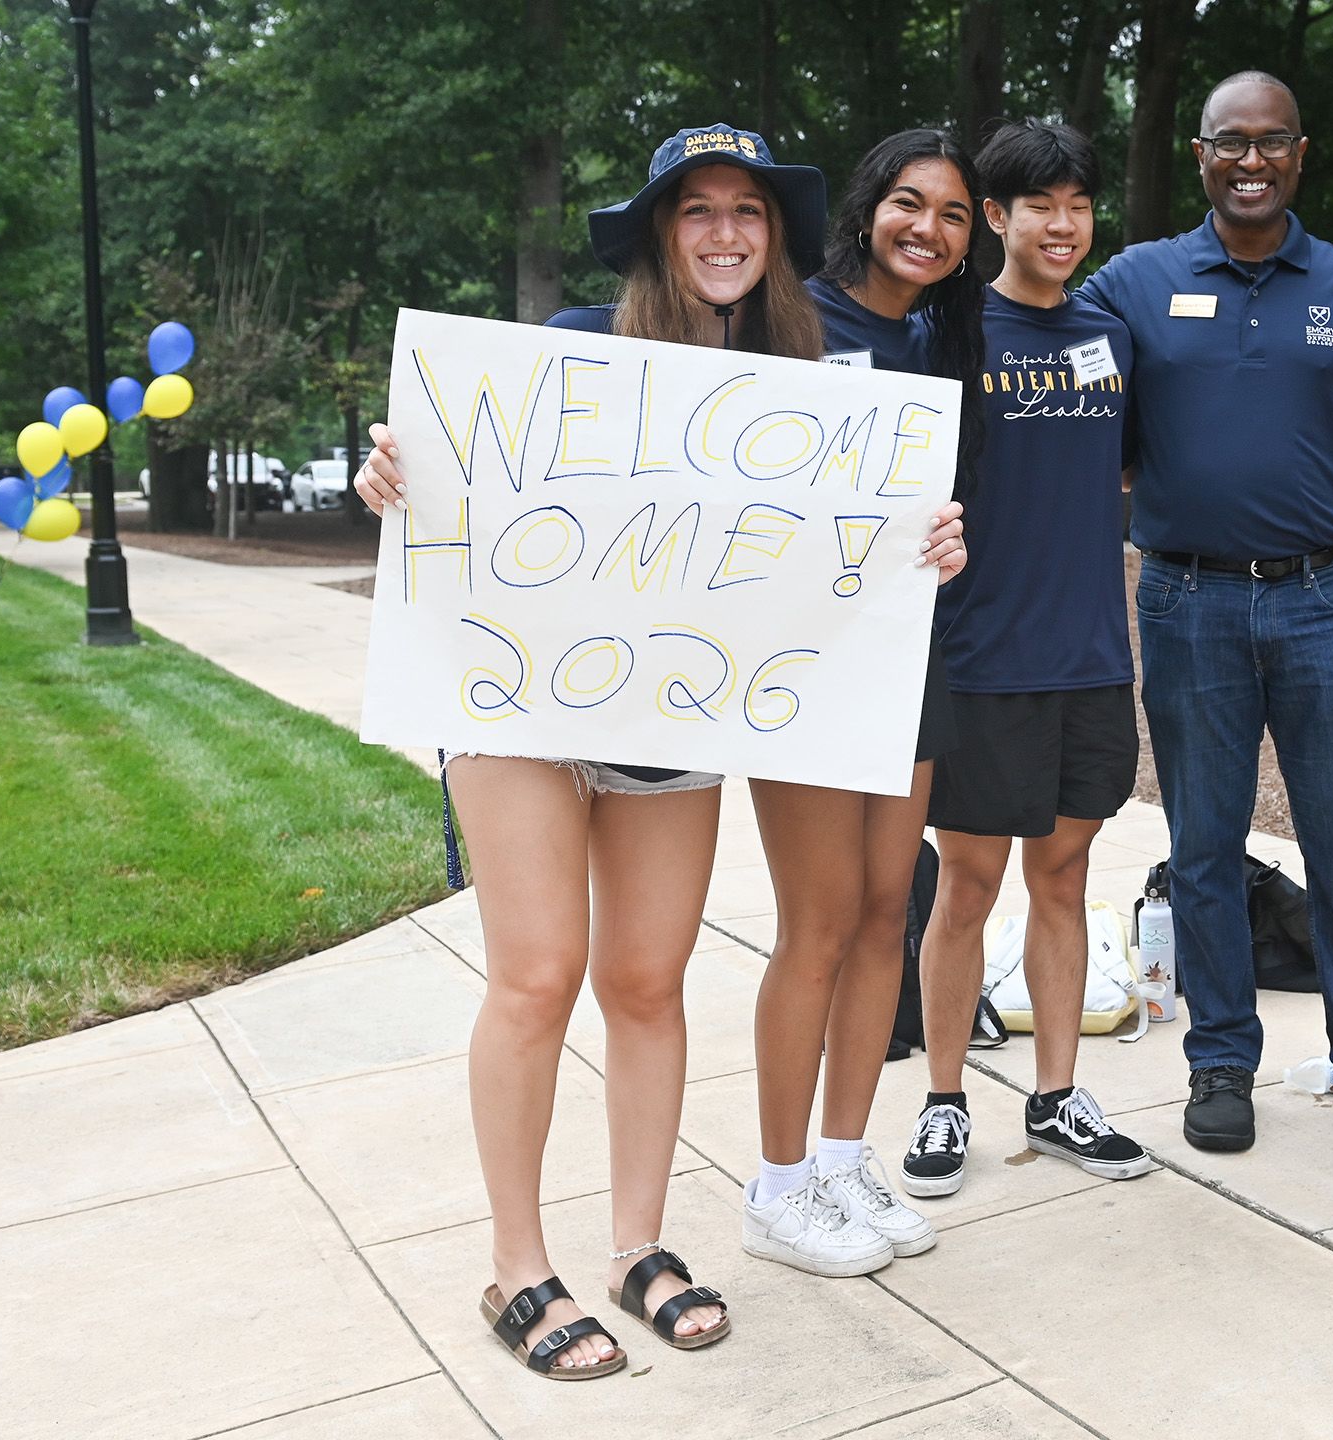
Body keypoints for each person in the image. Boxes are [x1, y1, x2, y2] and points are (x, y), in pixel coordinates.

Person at [352, 123, 968, 1376]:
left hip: (667, 719)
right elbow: (457, 465)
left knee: (647, 980)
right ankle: (516, 1267)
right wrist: (393, 475)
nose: (727, 231)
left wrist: (922, 549)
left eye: (750, 210)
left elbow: (831, 566)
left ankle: (638, 1244)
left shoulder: (805, 385)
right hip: (520, 708)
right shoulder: (575, 350)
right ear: (657, 232)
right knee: (539, 973)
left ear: (778, 238)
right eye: (698, 210)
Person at [1078, 72, 1333, 1168]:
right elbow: (1065, 404)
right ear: (1200, 155)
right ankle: (1221, 1063)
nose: (1249, 161)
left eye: (1270, 144)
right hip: (1185, 598)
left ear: (1299, 156)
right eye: (1229, 143)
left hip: (1325, 602)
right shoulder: (1134, 281)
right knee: (1203, 847)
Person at [734, 128, 985, 1278]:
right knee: (820, 923)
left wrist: (944, 535)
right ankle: (775, 1184)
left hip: (907, 654)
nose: (926, 228)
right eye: (908, 202)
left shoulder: (941, 336)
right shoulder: (789, 316)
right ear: (867, 207)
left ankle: (842, 1158)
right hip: (800, 666)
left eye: (951, 214)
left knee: (890, 907)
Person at [904, 120, 1153, 1198]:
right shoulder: (946, 336)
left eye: (1078, 205)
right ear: (994, 218)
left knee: (1065, 878)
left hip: (1093, 655)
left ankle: (1057, 1098)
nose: (1062, 225)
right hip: (978, 657)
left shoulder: (1111, 337)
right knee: (966, 888)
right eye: (1038, 206)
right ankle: (945, 1102)